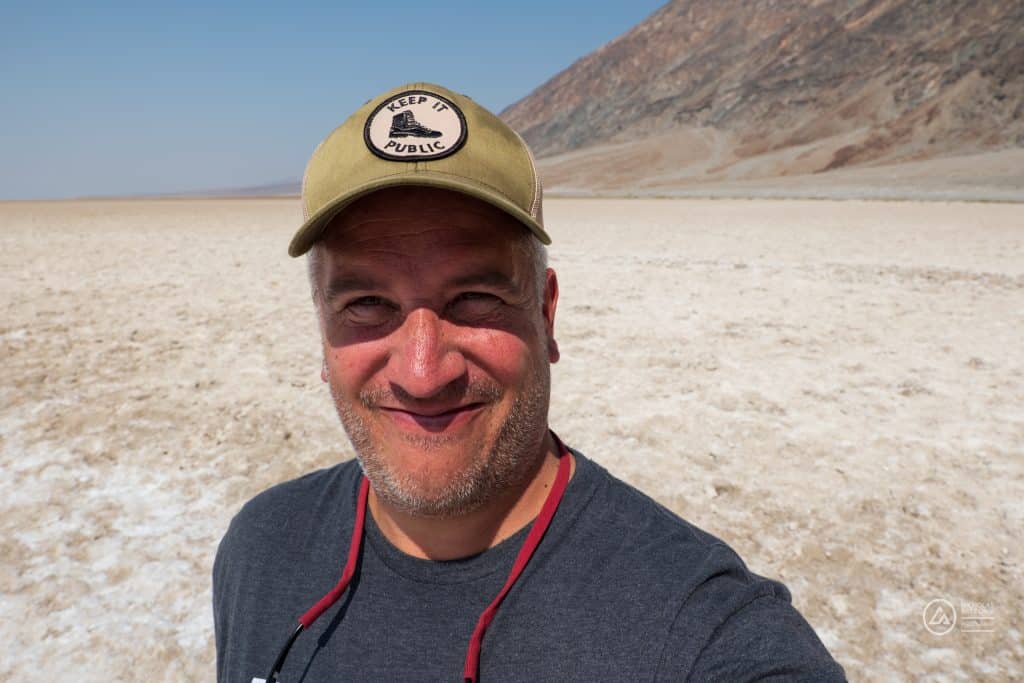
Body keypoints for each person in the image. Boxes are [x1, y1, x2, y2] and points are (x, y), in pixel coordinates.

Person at [213, 82, 846, 683]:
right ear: (323, 331)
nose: (422, 373)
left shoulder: (699, 631)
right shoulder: (261, 551)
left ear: (545, 316)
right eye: (368, 305)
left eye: (476, 297)